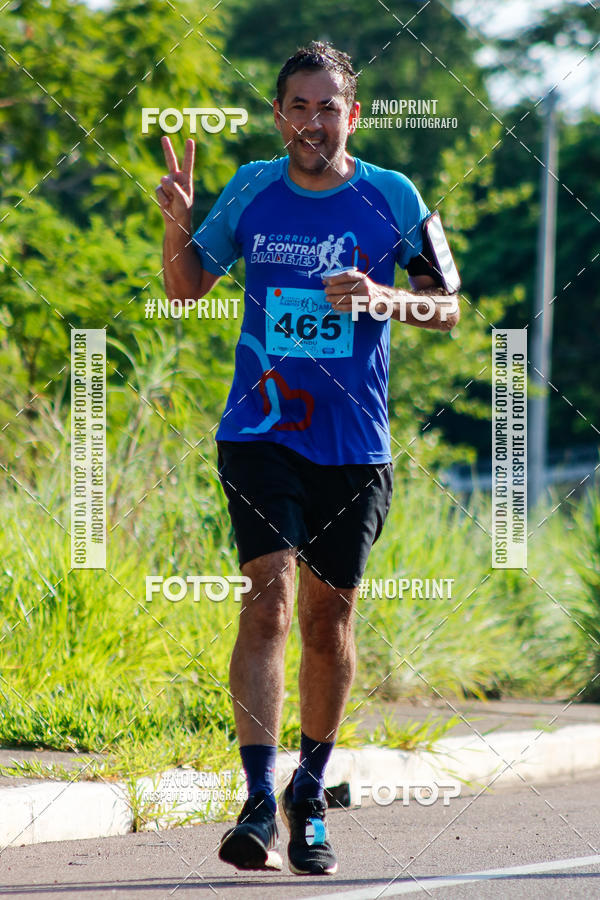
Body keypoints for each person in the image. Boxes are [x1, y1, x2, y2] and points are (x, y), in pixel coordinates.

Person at [156, 40, 459, 877]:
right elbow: (186, 288)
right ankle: (257, 797)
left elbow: (450, 304)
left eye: (330, 107)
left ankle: (309, 793)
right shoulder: (252, 187)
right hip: (259, 432)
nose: (313, 121)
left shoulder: (393, 195)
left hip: (354, 446)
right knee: (269, 604)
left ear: (351, 116)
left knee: (329, 624)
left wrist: (382, 296)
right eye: (299, 105)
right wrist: (178, 217)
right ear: (279, 113)